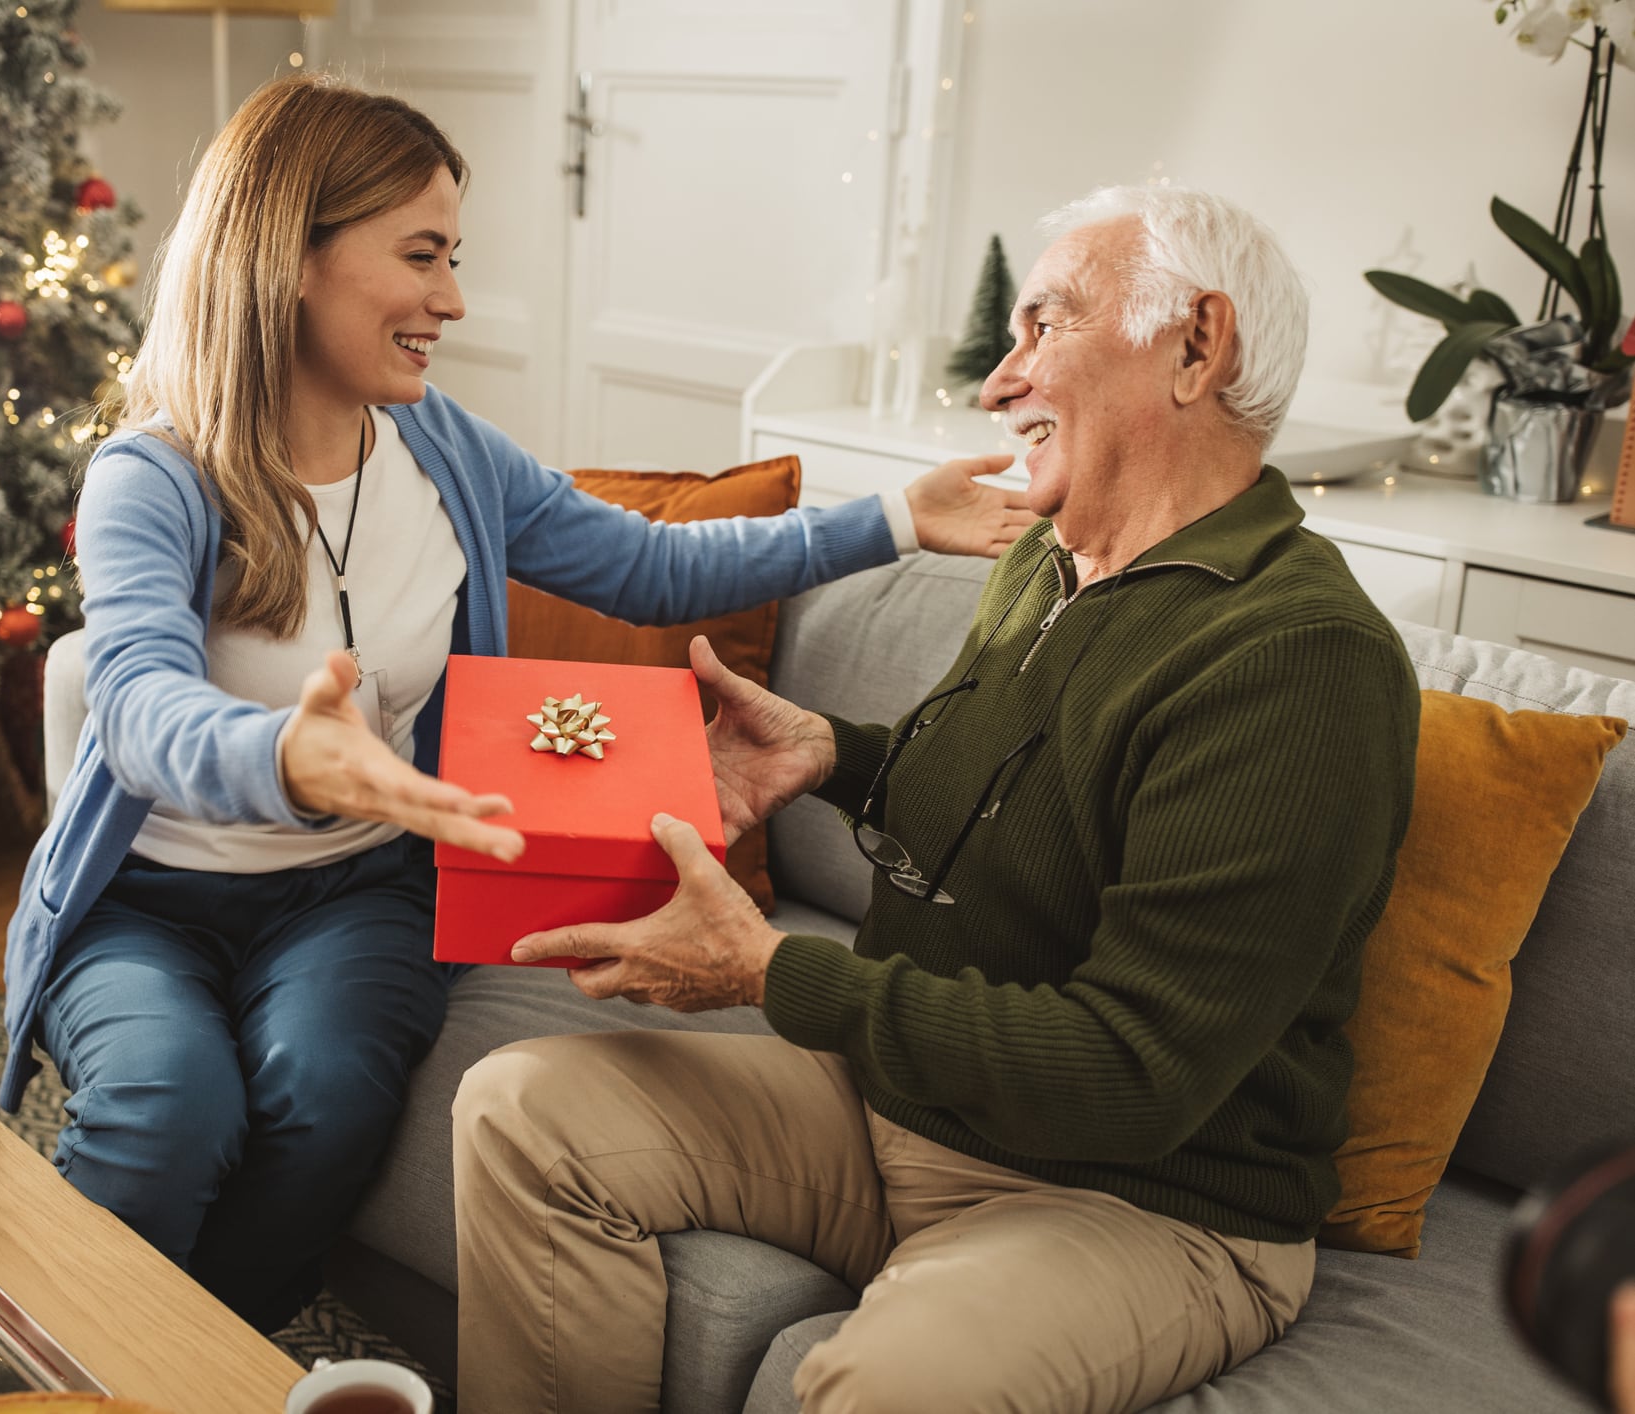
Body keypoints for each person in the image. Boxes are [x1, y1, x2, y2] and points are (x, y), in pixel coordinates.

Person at [0, 73, 1032, 1334]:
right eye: (420, 255)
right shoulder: (152, 477)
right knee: (170, 1106)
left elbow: (650, 566)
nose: (455, 299)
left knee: (323, 1088)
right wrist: (287, 752)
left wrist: (891, 519)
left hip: (355, 886)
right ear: (291, 258)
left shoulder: (447, 455)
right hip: (148, 899)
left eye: (456, 256)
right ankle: (45, 1354)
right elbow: (139, 701)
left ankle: (216, 1350)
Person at [451, 185, 1424, 1413]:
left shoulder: (1294, 659)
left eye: (1046, 327)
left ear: (1196, 345)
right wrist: (834, 755)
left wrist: (768, 974)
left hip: (1140, 1197)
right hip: (907, 1109)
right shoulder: (1047, 555)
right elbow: (1030, 804)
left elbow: (1135, 1070)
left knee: (884, 1385)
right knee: (522, 1104)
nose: (997, 382)